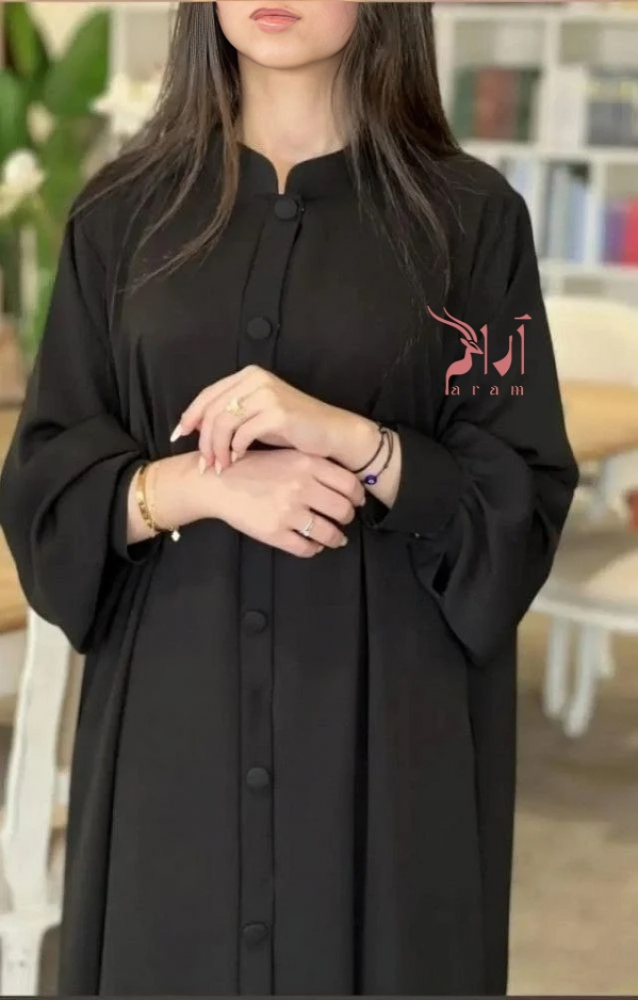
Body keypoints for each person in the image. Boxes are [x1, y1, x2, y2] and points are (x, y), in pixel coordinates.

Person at [0, 2, 578, 996]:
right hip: (174, 731)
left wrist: (359, 443)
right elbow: (45, 482)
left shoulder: (472, 219)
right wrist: (196, 484)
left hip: (388, 744)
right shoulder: (119, 216)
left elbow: (520, 502)